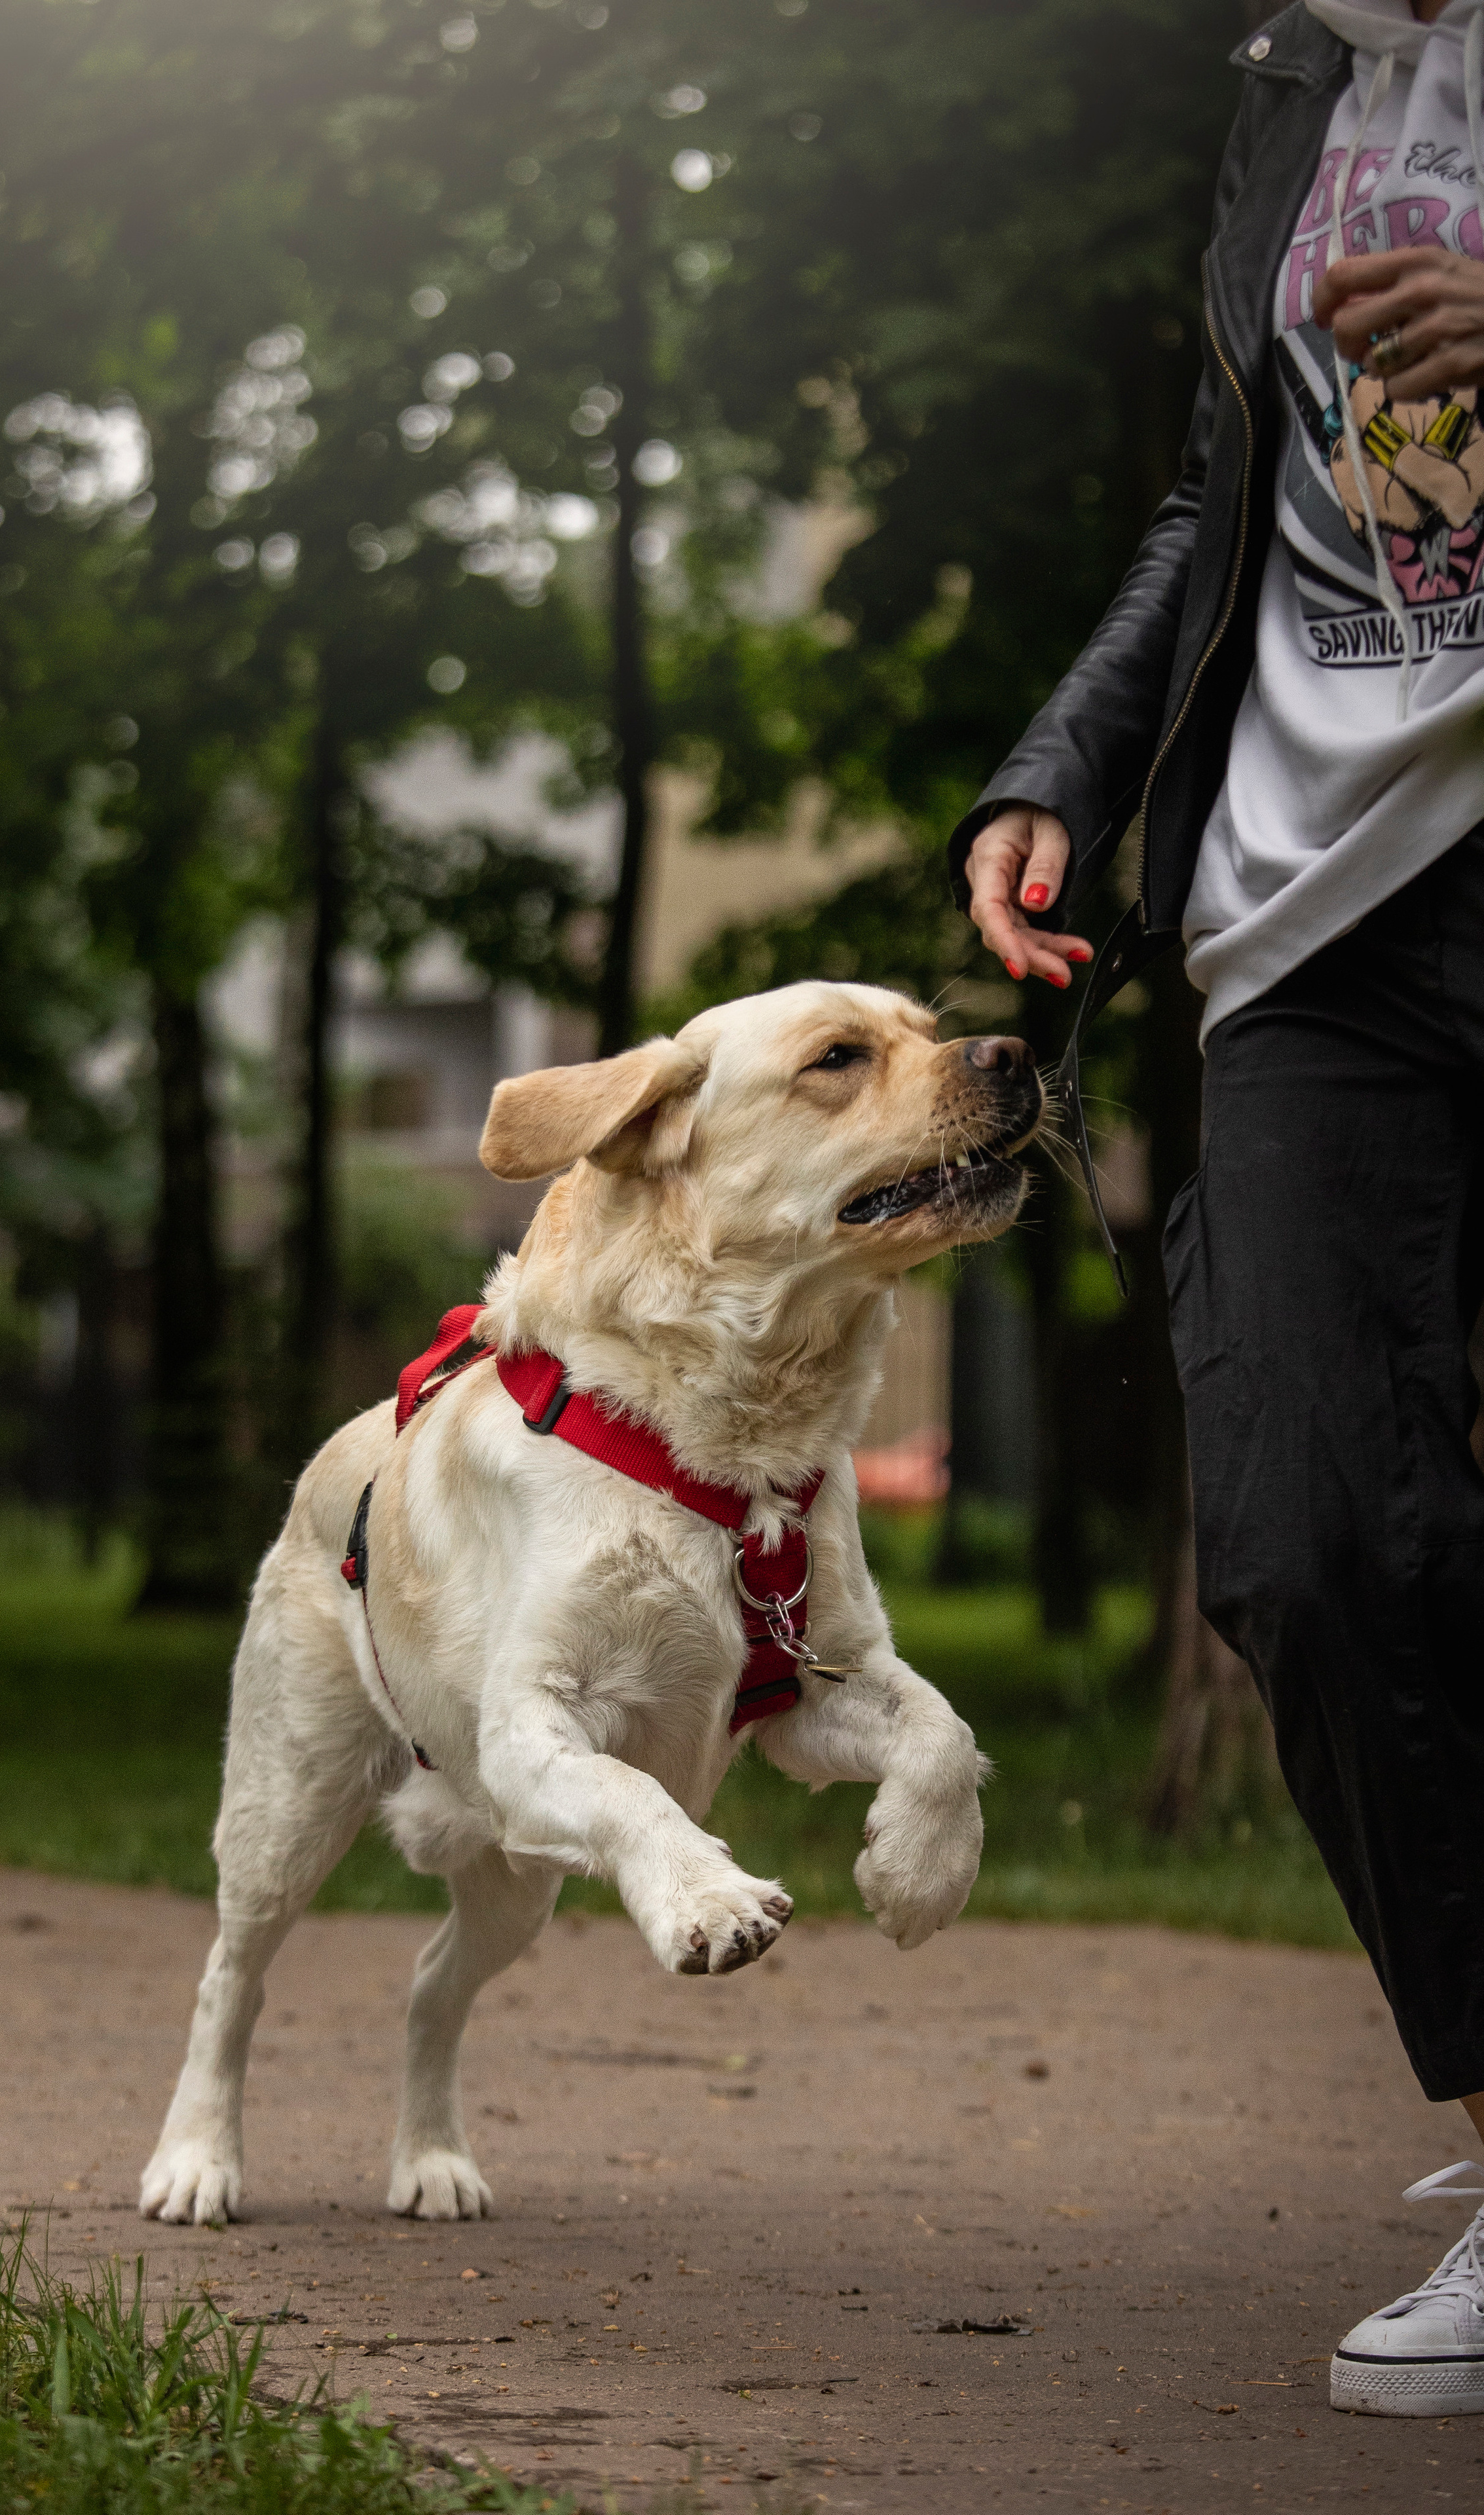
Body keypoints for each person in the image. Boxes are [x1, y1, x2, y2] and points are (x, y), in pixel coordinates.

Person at [953, 0, 1484, 2420]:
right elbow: (1220, 486)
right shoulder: (1291, 82)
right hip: (1304, 923)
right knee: (1301, 1529)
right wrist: (1065, 762)